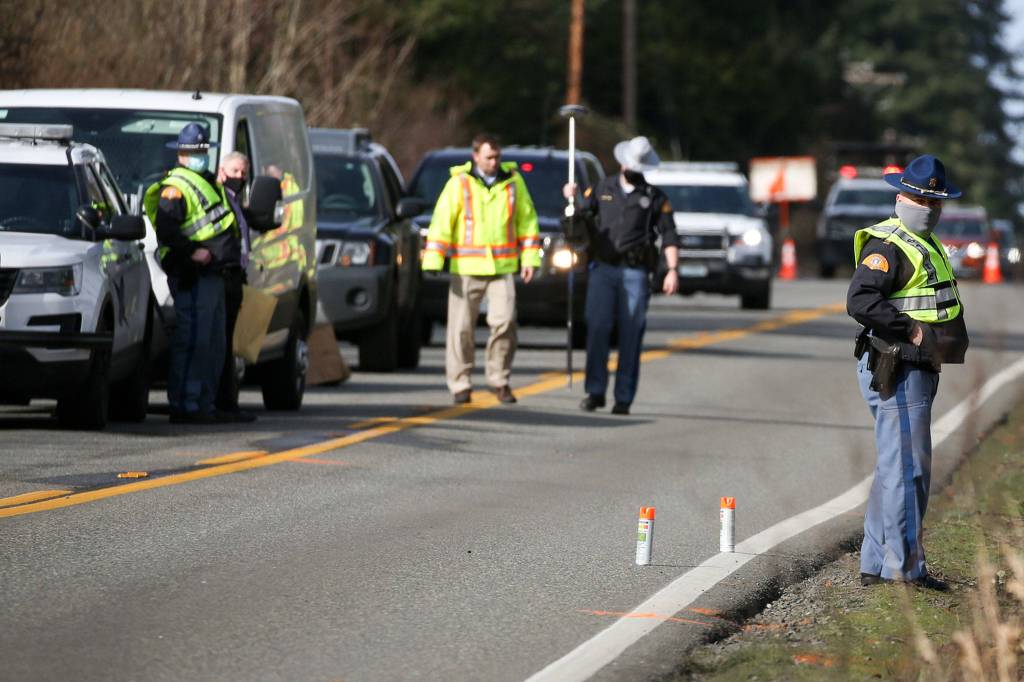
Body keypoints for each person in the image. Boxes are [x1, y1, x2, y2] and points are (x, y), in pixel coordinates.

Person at [847, 154, 969, 589]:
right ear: (903, 197)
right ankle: (904, 571)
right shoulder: (889, 245)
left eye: (936, 202)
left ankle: (878, 564)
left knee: (893, 467)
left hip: (916, 370)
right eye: (923, 201)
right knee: (909, 470)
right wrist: (912, 331)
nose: (931, 209)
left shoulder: (924, 242)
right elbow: (860, 301)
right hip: (897, 368)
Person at [421, 133, 541, 405]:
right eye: (489, 157)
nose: (494, 161)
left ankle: (499, 379)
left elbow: (527, 222)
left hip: (502, 267)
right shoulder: (459, 183)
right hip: (466, 268)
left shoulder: (513, 181)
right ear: (475, 156)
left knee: (505, 322)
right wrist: (433, 260)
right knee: (460, 329)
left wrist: (531, 260)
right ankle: (460, 384)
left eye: (497, 156)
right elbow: (442, 222)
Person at [564, 136, 680, 415]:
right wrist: (572, 199)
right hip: (603, 269)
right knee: (597, 328)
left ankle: (624, 397)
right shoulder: (602, 188)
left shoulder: (654, 198)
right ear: (621, 162)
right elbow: (580, 221)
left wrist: (672, 270)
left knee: (631, 333)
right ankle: (595, 391)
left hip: (635, 273)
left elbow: (669, 235)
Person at [144, 123, 236, 424]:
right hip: (193, 273)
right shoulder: (176, 188)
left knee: (213, 343)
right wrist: (191, 253)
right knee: (194, 341)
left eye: (202, 151)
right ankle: (185, 405)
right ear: (181, 153)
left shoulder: (205, 182)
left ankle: (205, 404)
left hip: (214, 274)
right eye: (193, 151)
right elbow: (167, 232)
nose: (199, 156)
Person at [215, 151, 258, 423]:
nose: (239, 178)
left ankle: (228, 402)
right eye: (234, 172)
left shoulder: (236, 202)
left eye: (243, 173)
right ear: (222, 172)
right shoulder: (220, 200)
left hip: (236, 277)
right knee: (221, 343)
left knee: (230, 344)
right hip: (223, 277)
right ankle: (222, 403)